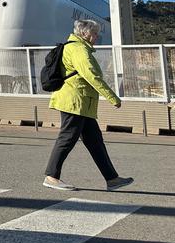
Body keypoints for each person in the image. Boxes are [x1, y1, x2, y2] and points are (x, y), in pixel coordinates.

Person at [43, 19, 134, 192]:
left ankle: (112, 179)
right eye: (94, 33)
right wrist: (112, 97)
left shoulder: (78, 48)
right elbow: (91, 76)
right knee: (67, 138)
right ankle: (51, 176)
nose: (97, 36)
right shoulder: (78, 49)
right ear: (84, 33)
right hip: (74, 101)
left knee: (95, 141)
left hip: (83, 102)